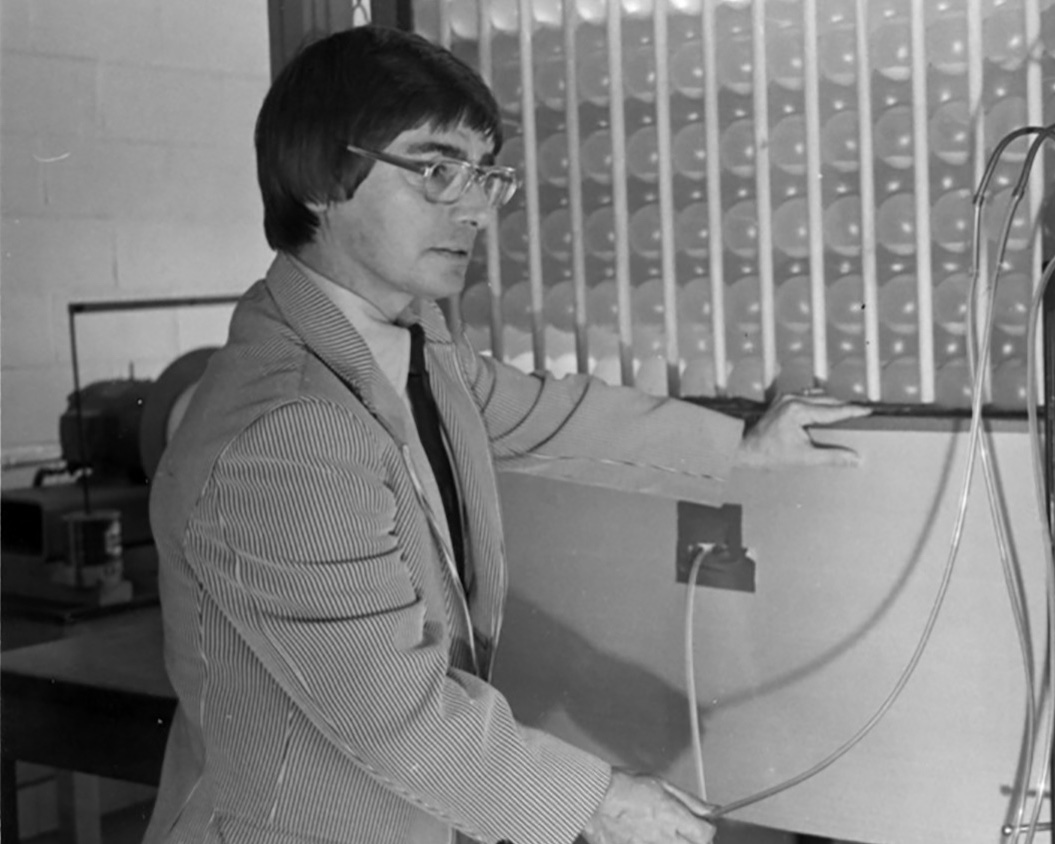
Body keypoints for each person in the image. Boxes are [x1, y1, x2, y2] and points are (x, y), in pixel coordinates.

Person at [144, 25, 868, 844]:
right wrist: (601, 801)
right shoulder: (290, 429)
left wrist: (742, 449)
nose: (478, 208)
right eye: (436, 170)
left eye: (485, 175)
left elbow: (542, 413)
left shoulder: (403, 338)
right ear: (319, 179)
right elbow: (397, 717)